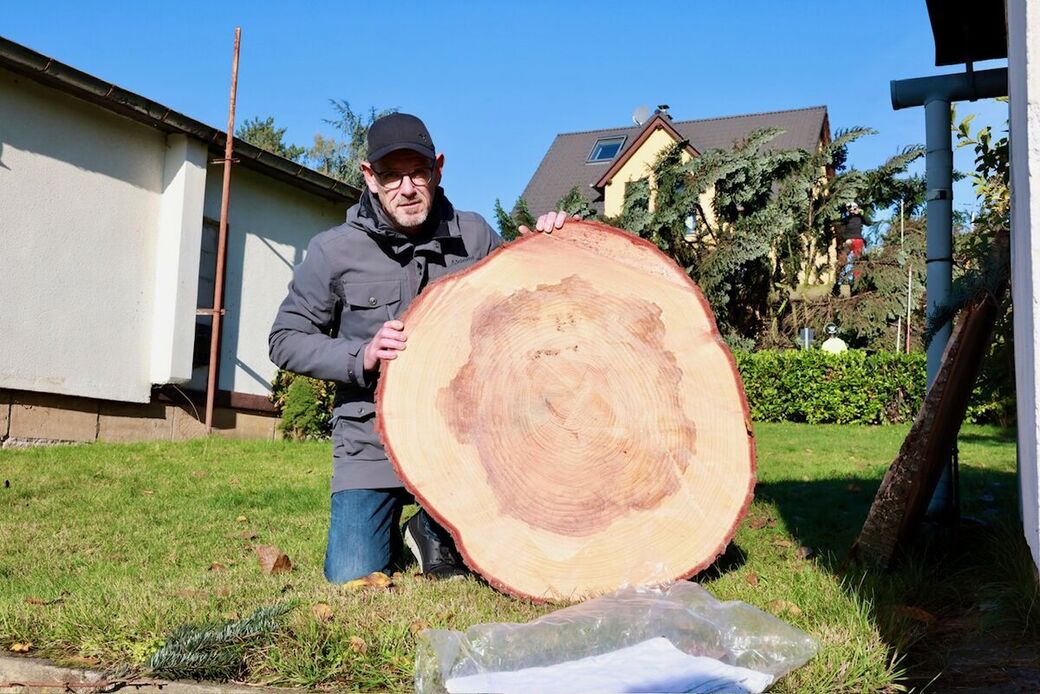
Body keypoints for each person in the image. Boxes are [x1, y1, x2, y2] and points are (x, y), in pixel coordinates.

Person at [269, 113, 567, 582]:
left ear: (438, 169)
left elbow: (526, 305)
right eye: (391, 175)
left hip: (464, 439)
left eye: (418, 172)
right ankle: (396, 522)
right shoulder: (333, 251)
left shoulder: (474, 235)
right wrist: (361, 355)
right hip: (371, 442)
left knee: (504, 558)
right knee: (351, 576)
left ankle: (429, 525)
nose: (407, 188)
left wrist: (549, 242)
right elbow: (284, 340)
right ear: (369, 176)